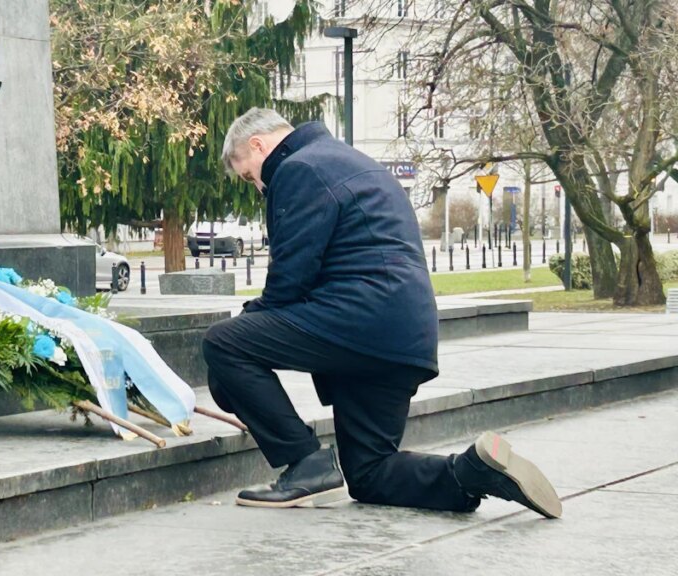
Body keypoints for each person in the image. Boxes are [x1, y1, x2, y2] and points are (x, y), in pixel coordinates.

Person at [202, 108, 562, 518]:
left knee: (223, 341)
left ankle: (307, 462)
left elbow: (289, 279)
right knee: (370, 472)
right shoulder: (350, 161)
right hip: (401, 334)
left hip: (361, 321)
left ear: (258, 145)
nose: (259, 187)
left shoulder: (297, 169)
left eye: (250, 175)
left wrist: (230, 354)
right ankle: (471, 473)